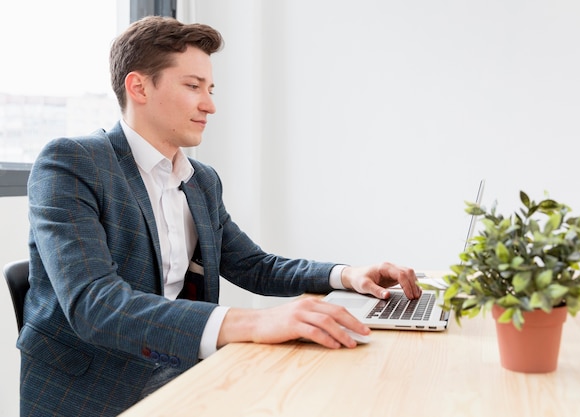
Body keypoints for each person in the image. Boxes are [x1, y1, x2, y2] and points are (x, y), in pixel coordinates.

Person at [21, 15, 421, 416]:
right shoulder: (73, 162)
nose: (210, 105)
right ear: (139, 86)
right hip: (97, 389)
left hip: (183, 368)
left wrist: (346, 275)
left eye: (210, 89)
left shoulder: (201, 180)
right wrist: (251, 323)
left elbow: (254, 266)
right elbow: (96, 304)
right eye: (193, 87)